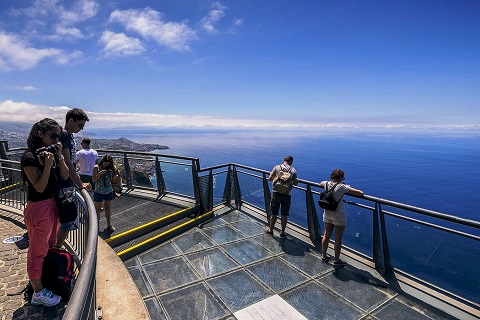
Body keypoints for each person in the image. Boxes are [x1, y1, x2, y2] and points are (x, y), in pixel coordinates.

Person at [21, 118, 69, 307]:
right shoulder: (30, 157)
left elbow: (64, 176)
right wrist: (47, 165)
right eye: (53, 136)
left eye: (59, 136)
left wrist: (59, 157)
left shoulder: (52, 153)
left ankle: (44, 280)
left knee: (49, 245)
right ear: (40, 134)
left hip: (53, 206)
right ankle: (37, 292)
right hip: (39, 207)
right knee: (37, 251)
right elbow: (39, 188)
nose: (56, 140)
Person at [55, 108, 91, 248]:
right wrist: (80, 184)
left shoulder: (69, 136)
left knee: (67, 217)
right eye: (80, 125)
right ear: (70, 121)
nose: (81, 129)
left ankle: (56, 245)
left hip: (67, 183)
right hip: (64, 184)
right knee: (68, 218)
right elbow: (68, 162)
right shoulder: (64, 135)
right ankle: (57, 247)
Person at [320, 169, 363, 266]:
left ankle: (323, 256)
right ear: (340, 178)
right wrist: (347, 186)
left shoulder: (326, 183)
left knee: (326, 235)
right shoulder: (342, 187)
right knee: (338, 238)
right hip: (338, 215)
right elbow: (360, 193)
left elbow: (320, 183)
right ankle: (336, 260)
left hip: (327, 213)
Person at [265, 155, 298, 238]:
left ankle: (271, 230)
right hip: (287, 194)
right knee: (284, 214)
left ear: (284, 160)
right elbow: (295, 183)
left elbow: (270, 178)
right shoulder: (293, 170)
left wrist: (278, 181)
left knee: (274, 213)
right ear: (291, 162)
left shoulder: (277, 167)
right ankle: (282, 232)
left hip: (276, 193)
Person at [92, 155, 120, 232]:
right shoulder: (96, 167)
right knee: (97, 210)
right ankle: (96, 227)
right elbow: (93, 180)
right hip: (98, 191)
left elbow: (114, 178)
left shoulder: (111, 168)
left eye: (107, 164)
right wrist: (100, 174)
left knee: (107, 208)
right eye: (104, 163)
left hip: (108, 191)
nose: (105, 165)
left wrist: (112, 173)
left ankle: (109, 224)